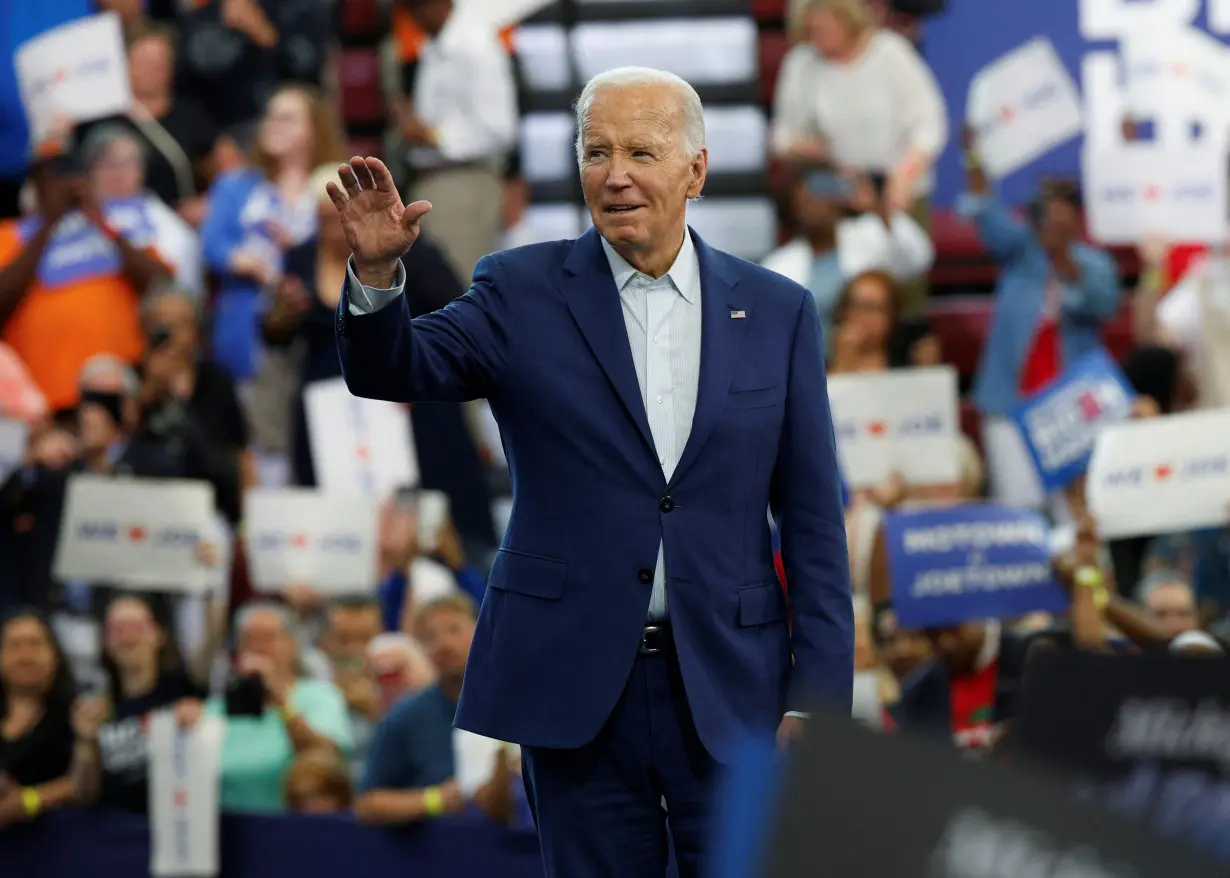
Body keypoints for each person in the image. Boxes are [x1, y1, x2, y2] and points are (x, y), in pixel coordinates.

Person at [328, 65, 853, 876]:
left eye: (642, 151)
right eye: (596, 151)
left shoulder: (778, 311)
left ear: (697, 170)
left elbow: (815, 524)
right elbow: (396, 368)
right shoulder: (518, 289)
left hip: (734, 687)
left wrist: (816, 698)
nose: (615, 175)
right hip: (576, 686)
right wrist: (375, 278)